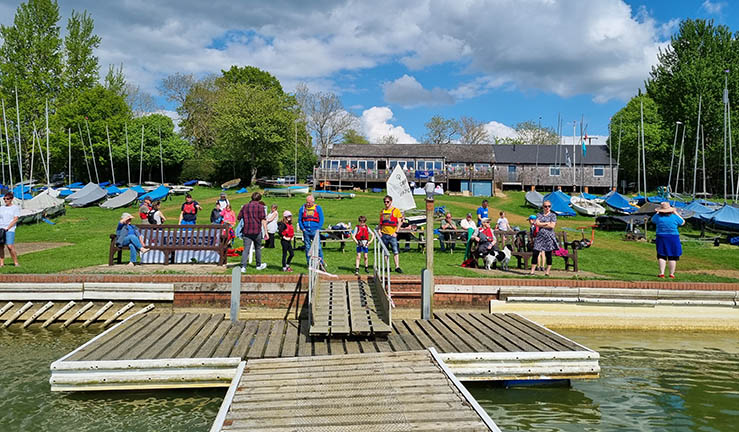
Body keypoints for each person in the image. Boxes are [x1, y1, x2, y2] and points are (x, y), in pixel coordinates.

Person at [651, 201, 685, 278]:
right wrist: (675, 212)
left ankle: (661, 273)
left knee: (661, 255)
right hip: (673, 237)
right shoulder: (674, 217)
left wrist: (658, 212)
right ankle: (671, 274)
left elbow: (652, 220)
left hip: (661, 237)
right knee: (672, 256)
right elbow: (682, 222)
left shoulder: (658, 217)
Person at [237, 192, 268, 273]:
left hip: (247, 231)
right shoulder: (261, 207)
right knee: (258, 248)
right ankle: (258, 265)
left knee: (246, 249)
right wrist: (266, 232)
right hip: (257, 230)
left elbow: (239, 217)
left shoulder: (245, 206)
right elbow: (263, 219)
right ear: (259, 199)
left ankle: (243, 267)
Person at [530, 200, 557, 276]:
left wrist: (541, 224)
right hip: (540, 236)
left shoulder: (553, 215)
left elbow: (552, 226)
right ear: (543, 207)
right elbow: (537, 224)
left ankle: (547, 271)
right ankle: (532, 271)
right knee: (535, 252)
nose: (547, 208)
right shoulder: (539, 214)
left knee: (548, 254)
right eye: (545, 206)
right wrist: (546, 223)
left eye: (549, 206)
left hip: (549, 237)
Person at [379, 195, 403, 273]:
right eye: (385, 202)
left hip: (392, 234)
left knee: (395, 251)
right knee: (385, 251)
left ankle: (397, 266)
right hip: (384, 234)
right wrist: (379, 230)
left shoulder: (396, 210)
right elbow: (381, 223)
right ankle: (387, 266)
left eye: (387, 202)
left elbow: (399, 222)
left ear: (391, 202)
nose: (386, 203)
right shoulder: (382, 211)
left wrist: (396, 232)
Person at [298, 194, 324, 265]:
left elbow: (321, 219)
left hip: (315, 230)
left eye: (309, 202)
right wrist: (303, 229)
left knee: (318, 247)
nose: (308, 204)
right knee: (307, 248)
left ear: (313, 202)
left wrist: (318, 228)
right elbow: (300, 219)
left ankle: (321, 263)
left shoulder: (318, 208)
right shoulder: (302, 209)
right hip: (306, 231)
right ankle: (309, 263)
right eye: (307, 202)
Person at [0, 192, 20, 267]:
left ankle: (16, 262)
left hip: (10, 229)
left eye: (7, 199)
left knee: (10, 246)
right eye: (4, 199)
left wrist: (8, 228)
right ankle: (1, 263)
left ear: (11, 199)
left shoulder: (15, 208)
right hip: (1, 228)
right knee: (1, 246)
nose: (6, 200)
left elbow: (15, 219)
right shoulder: (1, 208)